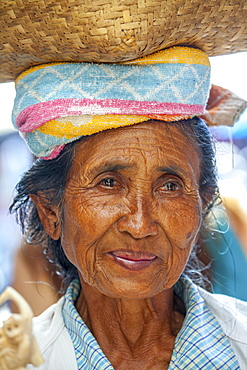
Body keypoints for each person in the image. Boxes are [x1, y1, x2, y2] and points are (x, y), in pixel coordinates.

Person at [7, 47, 247, 369]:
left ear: (202, 205)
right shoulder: (20, 361)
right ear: (50, 211)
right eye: (108, 182)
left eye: (170, 186)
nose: (139, 224)